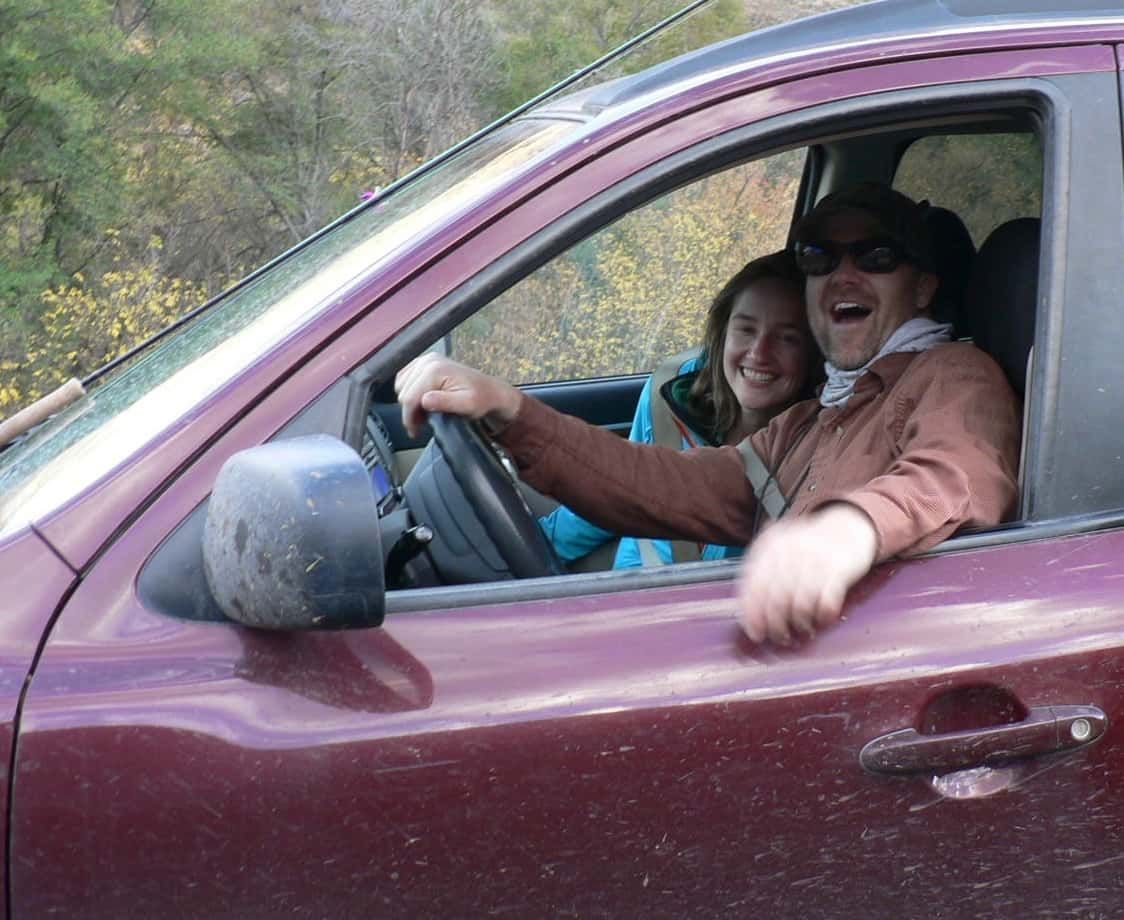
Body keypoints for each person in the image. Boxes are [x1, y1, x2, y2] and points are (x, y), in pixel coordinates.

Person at [395, 183, 1021, 646]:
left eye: (877, 256)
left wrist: (844, 532)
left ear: (922, 288)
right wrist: (511, 410)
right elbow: (666, 484)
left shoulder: (950, 374)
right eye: (819, 258)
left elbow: (957, 474)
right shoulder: (811, 420)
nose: (843, 275)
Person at [540, 249, 819, 569]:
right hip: (625, 605)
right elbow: (619, 492)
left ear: (814, 353)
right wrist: (534, 547)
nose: (759, 353)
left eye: (787, 338)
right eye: (745, 329)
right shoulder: (668, 397)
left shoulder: (819, 453)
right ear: (722, 332)